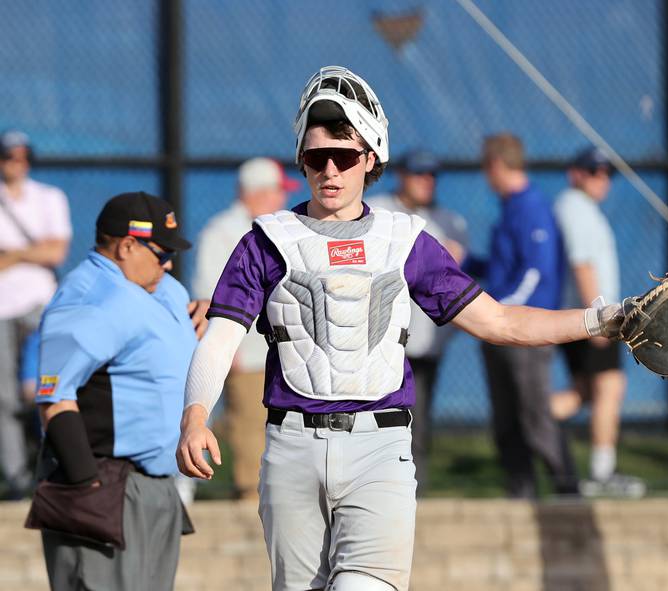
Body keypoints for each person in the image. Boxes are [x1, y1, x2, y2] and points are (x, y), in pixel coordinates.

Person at [176, 65, 627, 591]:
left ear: (369, 160)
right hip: (291, 447)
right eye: (316, 156)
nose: (330, 170)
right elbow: (220, 337)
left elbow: (499, 320)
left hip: (379, 447)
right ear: (301, 161)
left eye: (344, 156)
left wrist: (602, 319)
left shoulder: (405, 240)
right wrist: (195, 416)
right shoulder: (266, 240)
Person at [28, 192, 208, 591]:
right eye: (161, 253)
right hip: (107, 485)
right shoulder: (92, 296)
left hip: (157, 485)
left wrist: (202, 314)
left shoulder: (161, 289)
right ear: (127, 245)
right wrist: (87, 490)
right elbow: (55, 398)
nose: (169, 263)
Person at [460, 133, 578, 499]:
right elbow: (502, 269)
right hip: (498, 330)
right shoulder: (511, 208)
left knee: (535, 414)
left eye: (486, 168)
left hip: (524, 333)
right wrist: (463, 260)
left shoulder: (531, 209)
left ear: (496, 165)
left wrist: (500, 311)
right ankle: (520, 488)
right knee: (506, 418)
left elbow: (536, 273)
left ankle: (567, 487)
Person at [193, 157, 299, 500]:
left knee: (267, 422)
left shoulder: (279, 227)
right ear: (257, 193)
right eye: (276, 191)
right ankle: (249, 494)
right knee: (250, 422)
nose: (281, 198)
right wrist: (227, 347)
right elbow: (210, 293)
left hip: (282, 348)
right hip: (247, 348)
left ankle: (271, 491)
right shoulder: (222, 230)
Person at [367, 149, 468, 495]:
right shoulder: (378, 210)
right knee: (377, 421)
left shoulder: (450, 221)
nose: (426, 182)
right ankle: (378, 487)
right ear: (402, 176)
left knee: (417, 420)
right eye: (418, 175)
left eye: (431, 176)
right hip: (379, 340)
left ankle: (412, 489)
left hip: (426, 339)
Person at [551, 146, 645, 498]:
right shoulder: (575, 208)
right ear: (575, 173)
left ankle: (530, 424)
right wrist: (599, 321)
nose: (601, 179)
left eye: (606, 173)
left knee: (584, 392)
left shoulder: (581, 208)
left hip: (587, 316)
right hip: (590, 318)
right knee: (610, 387)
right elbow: (583, 265)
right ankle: (602, 473)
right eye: (594, 171)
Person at [0, 129, 72, 500]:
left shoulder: (48, 197)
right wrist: (32, 250)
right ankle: (16, 478)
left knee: (47, 389)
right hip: (2, 311)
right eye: (9, 156)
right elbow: (44, 248)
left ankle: (53, 469)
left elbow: (56, 251)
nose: (16, 163)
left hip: (40, 308)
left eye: (22, 156)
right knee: (5, 399)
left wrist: (10, 256)